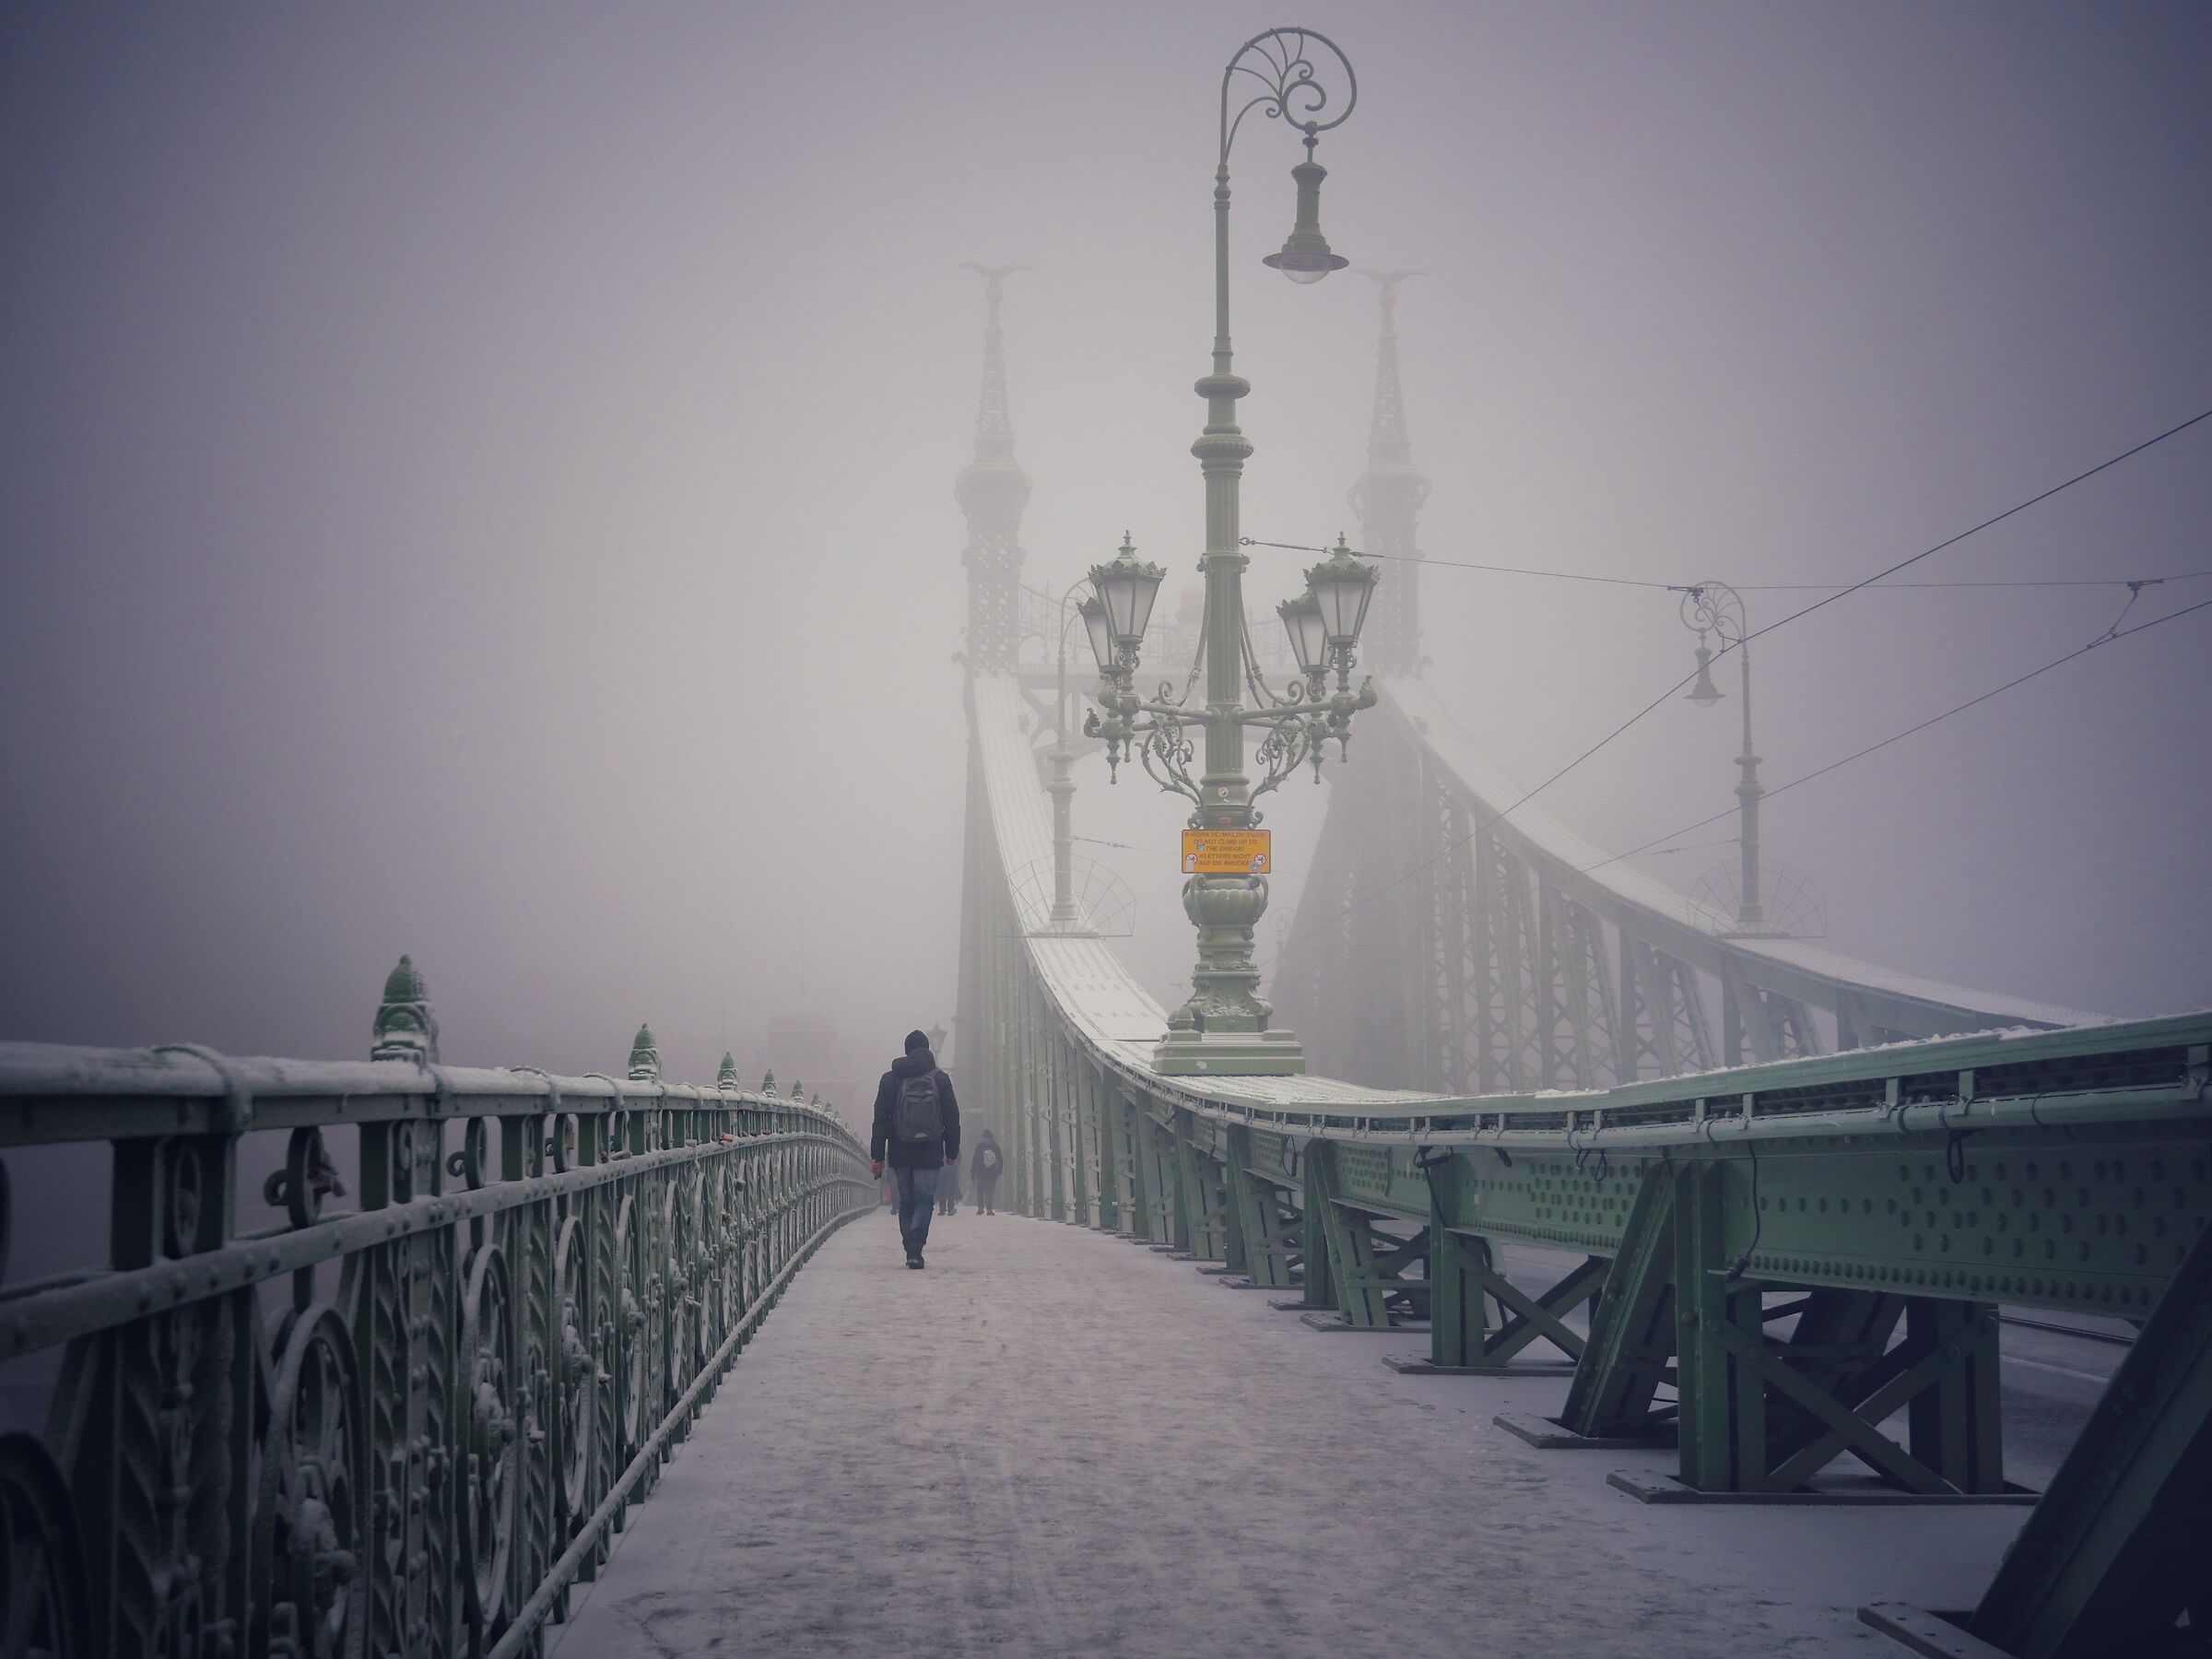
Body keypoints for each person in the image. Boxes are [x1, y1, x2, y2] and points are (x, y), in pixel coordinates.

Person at [868, 1029, 960, 1269]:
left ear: (906, 1050)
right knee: (924, 1199)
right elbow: (952, 1117)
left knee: (906, 1202)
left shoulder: (890, 1079)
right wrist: (952, 1151)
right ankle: (916, 1247)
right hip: (930, 1150)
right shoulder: (940, 1079)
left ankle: (910, 1247)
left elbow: (880, 1120)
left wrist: (877, 1156)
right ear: (928, 1049)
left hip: (900, 1151)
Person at [969, 1126, 1004, 1215]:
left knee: (980, 1191)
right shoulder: (995, 1146)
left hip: (981, 1172)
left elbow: (975, 1160)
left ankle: (980, 1208)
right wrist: (999, 1171)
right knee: (990, 1192)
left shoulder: (980, 1146)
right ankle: (989, 1209)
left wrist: (972, 1172)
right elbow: (1000, 1159)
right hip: (992, 1173)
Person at [936, 1153, 962, 1217]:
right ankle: (950, 1208)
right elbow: (958, 1157)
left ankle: (942, 1209)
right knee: (951, 1190)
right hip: (951, 1168)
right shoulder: (954, 1148)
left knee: (942, 1189)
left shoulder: (940, 1147)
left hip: (941, 1168)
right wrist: (956, 1165)